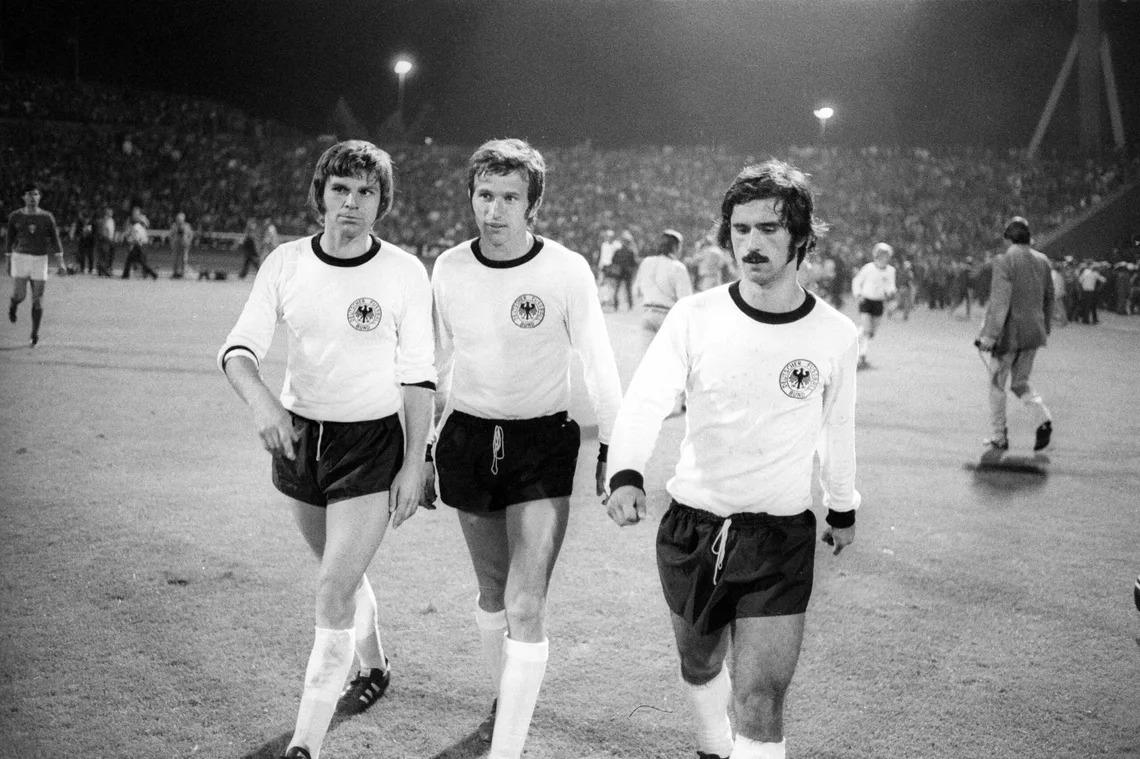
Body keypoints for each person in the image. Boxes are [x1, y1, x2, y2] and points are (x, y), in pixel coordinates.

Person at [605, 159, 860, 759]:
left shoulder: (834, 334)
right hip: (693, 527)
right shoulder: (695, 317)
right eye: (741, 229)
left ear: (801, 237)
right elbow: (645, 400)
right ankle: (711, 744)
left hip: (778, 539)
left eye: (769, 229)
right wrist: (625, 472)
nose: (751, 243)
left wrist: (843, 507)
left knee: (762, 696)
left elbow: (838, 428)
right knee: (699, 664)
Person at [218, 140, 436, 759]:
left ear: (381, 202)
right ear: (321, 195)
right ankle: (374, 665)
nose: (352, 202)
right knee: (340, 574)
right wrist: (264, 404)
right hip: (301, 441)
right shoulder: (285, 263)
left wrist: (416, 460)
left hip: (370, 444)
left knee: (332, 588)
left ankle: (306, 743)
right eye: (341, 189)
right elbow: (239, 349)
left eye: (366, 192)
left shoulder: (401, 271)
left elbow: (419, 373)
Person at [426, 138, 623, 759]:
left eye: (510, 197)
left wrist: (615, 451)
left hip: (541, 443)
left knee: (526, 598)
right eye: (485, 194)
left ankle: (506, 749)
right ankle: (504, 700)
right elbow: (432, 365)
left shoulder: (565, 270)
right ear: (471, 197)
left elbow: (599, 362)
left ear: (532, 204)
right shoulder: (449, 267)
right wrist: (425, 447)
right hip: (468, 436)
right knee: (491, 590)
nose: (495, 209)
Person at [975, 216, 1054, 452]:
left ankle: (1000, 436)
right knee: (1021, 383)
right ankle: (1043, 419)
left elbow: (1000, 302)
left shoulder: (1004, 261)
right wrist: (1044, 328)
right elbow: (1049, 298)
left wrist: (989, 336)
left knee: (996, 384)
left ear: (1008, 238)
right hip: (1034, 333)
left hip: (1009, 334)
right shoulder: (1043, 261)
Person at [6, 184, 67, 347]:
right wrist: (8, 259)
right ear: (23, 197)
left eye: (35, 194)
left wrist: (61, 263)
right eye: (29, 194)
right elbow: (9, 240)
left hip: (40, 259)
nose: (32, 197)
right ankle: (13, 304)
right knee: (20, 295)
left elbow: (55, 240)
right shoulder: (15, 216)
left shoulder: (47, 217)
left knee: (38, 299)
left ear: (39, 197)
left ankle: (34, 333)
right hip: (21, 258)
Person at [633, 228, 693, 346]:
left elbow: (636, 290)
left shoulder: (646, 262)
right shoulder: (678, 267)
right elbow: (685, 299)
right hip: (667, 316)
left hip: (647, 313)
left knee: (646, 359)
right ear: (676, 247)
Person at [851, 241, 897, 369]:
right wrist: (858, 294)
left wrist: (891, 292)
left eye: (887, 256)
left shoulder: (891, 271)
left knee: (871, 332)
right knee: (867, 328)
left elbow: (891, 285)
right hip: (866, 301)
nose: (885, 258)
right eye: (883, 255)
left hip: (879, 303)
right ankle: (861, 355)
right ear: (877, 255)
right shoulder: (868, 268)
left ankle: (855, 340)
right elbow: (857, 280)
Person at [120, 206, 158, 280]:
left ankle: (151, 273)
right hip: (139, 242)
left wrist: (133, 241)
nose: (134, 214)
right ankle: (126, 274)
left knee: (139, 261)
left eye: (136, 212)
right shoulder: (133, 222)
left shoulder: (140, 222)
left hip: (140, 244)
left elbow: (146, 226)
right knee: (133, 259)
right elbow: (128, 228)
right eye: (134, 213)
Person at [168, 211, 194, 279]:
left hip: (184, 244)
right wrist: (172, 243)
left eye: (180, 219)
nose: (179, 220)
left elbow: (191, 235)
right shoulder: (174, 226)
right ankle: (175, 273)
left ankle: (183, 273)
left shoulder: (187, 226)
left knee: (184, 259)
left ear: (183, 219)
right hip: (176, 244)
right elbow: (170, 235)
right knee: (175, 259)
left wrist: (188, 242)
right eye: (178, 219)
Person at [96, 207, 116, 277]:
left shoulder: (112, 220)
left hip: (110, 240)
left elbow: (112, 231)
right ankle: (102, 270)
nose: (111, 213)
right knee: (104, 255)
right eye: (110, 212)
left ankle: (107, 269)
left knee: (110, 255)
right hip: (105, 240)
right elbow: (102, 231)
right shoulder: (103, 220)